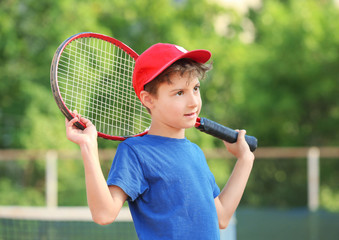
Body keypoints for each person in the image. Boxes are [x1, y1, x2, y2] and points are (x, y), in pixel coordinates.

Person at [65, 43, 255, 240]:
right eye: (179, 93)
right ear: (148, 100)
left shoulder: (195, 153)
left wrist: (245, 160)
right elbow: (104, 214)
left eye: (196, 88)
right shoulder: (135, 152)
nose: (193, 102)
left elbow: (221, 217)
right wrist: (88, 146)